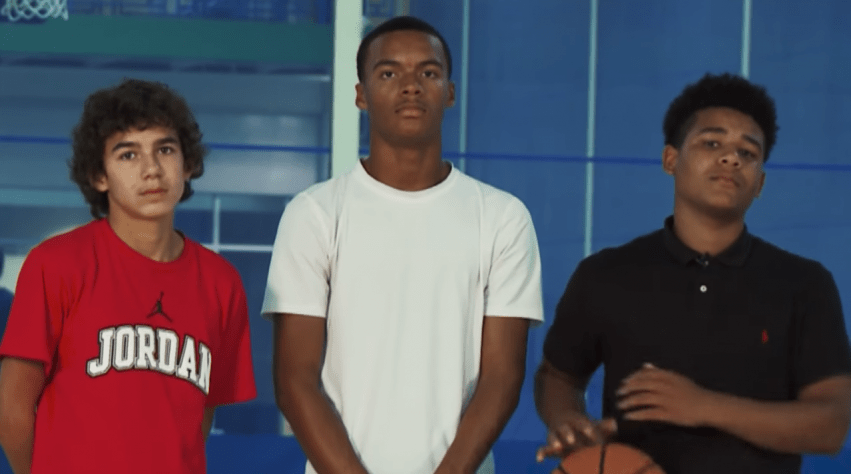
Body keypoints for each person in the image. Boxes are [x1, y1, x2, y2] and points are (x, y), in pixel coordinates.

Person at [262, 15, 544, 474]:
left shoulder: (502, 217)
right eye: (389, 73)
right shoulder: (313, 214)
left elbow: (502, 378)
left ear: (450, 92)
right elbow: (295, 380)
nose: (410, 86)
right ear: (360, 94)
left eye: (428, 72)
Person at [534, 73, 851, 474]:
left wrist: (703, 406)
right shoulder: (606, 274)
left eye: (748, 152)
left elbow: (830, 426)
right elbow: (557, 376)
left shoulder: (804, 284)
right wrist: (568, 421)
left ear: (760, 183)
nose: (731, 158)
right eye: (712, 143)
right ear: (671, 159)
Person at [0, 78, 257, 474]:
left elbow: (199, 416)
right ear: (99, 175)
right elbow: (12, 409)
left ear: (187, 164)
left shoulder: (222, 282)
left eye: (165, 150)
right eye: (128, 155)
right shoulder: (56, 264)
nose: (151, 170)